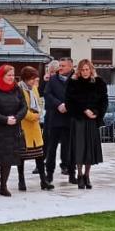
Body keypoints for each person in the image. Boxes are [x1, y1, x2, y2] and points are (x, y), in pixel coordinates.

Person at [0, 64, 26, 197]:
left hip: (12, 130)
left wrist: (17, 118)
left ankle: (4, 186)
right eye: (9, 75)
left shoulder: (17, 89)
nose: (11, 78)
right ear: (2, 76)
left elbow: (24, 106)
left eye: (13, 75)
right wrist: (5, 119)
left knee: (8, 159)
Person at [64, 59, 107, 189]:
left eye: (87, 69)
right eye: (82, 69)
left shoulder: (99, 83)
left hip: (92, 120)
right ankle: (80, 175)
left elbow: (103, 100)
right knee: (79, 148)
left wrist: (96, 112)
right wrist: (84, 110)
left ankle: (87, 175)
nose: (85, 72)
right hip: (78, 119)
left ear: (91, 69)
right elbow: (69, 102)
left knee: (89, 149)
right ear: (79, 70)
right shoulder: (73, 83)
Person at [42, 57, 72, 186]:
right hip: (54, 118)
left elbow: (79, 96)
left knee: (69, 147)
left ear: (71, 66)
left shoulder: (75, 80)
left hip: (69, 118)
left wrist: (68, 105)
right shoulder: (53, 80)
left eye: (63, 65)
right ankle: (49, 174)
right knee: (51, 148)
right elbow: (47, 94)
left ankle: (71, 172)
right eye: (60, 65)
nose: (61, 68)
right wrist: (59, 104)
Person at [16, 66, 45, 191]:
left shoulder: (34, 89)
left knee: (39, 154)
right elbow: (20, 109)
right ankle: (21, 181)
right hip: (24, 126)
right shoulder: (18, 89)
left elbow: (38, 103)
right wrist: (33, 116)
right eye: (32, 79)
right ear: (26, 78)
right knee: (22, 156)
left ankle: (44, 180)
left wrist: (39, 113)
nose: (34, 81)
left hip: (35, 127)